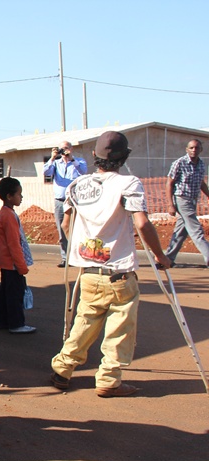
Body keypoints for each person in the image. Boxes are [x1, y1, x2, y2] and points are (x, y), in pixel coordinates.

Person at [50, 131, 171, 397]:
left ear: (94, 156)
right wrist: (161, 256)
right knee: (119, 328)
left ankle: (63, 369)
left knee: (84, 321)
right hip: (119, 273)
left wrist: (83, 249)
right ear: (124, 157)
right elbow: (142, 223)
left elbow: (66, 224)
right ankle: (108, 379)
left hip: (89, 272)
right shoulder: (129, 184)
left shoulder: (76, 186)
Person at [0, 177, 35, 334]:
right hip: (11, 263)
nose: (21, 197)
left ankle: (3, 321)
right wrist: (21, 266)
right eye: (19, 194)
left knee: (6, 291)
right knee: (14, 294)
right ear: (9, 196)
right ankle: (16, 323)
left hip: (6, 262)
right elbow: (13, 244)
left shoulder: (5, 213)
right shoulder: (9, 215)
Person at [163, 139, 209, 266]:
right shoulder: (179, 163)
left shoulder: (201, 164)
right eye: (191, 148)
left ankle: (168, 259)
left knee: (181, 231)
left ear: (201, 150)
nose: (194, 150)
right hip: (182, 199)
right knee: (196, 230)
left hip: (193, 200)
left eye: (196, 148)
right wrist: (170, 204)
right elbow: (169, 184)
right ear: (186, 149)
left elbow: (201, 183)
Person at [43, 141, 88, 267]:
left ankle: (80, 257)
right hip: (60, 201)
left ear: (71, 149)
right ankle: (66, 258)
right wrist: (52, 157)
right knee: (62, 230)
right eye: (61, 149)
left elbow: (83, 171)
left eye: (66, 148)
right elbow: (46, 172)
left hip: (75, 201)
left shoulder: (78, 162)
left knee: (78, 229)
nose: (64, 151)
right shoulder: (56, 163)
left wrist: (71, 159)